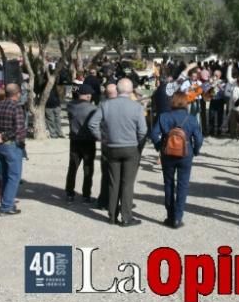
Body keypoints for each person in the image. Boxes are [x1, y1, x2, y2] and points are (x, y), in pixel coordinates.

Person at [90, 78, 147, 226]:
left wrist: (102, 138)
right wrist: (137, 142)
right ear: (131, 90)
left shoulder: (106, 105)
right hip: (130, 147)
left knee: (113, 182)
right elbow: (143, 130)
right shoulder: (137, 107)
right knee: (127, 183)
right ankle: (126, 217)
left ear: (118, 89)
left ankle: (112, 215)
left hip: (111, 147)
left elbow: (92, 123)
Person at [150, 91, 203, 228]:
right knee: (182, 185)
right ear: (185, 102)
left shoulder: (164, 116)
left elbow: (154, 134)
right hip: (186, 154)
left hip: (167, 154)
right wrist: (195, 151)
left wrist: (159, 147)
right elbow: (198, 139)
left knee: (168, 184)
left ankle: (170, 215)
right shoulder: (191, 118)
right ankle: (178, 218)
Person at [0, 82, 27, 215]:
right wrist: (3, 136)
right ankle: (6, 206)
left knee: (4, 175)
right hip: (11, 145)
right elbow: (19, 128)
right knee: (13, 176)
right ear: (18, 94)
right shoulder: (16, 108)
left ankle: (5, 200)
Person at [65, 83, 99, 204]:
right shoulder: (93, 109)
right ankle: (86, 195)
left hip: (74, 140)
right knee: (88, 168)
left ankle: (69, 192)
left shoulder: (70, 106)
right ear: (88, 95)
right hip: (88, 141)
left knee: (73, 167)